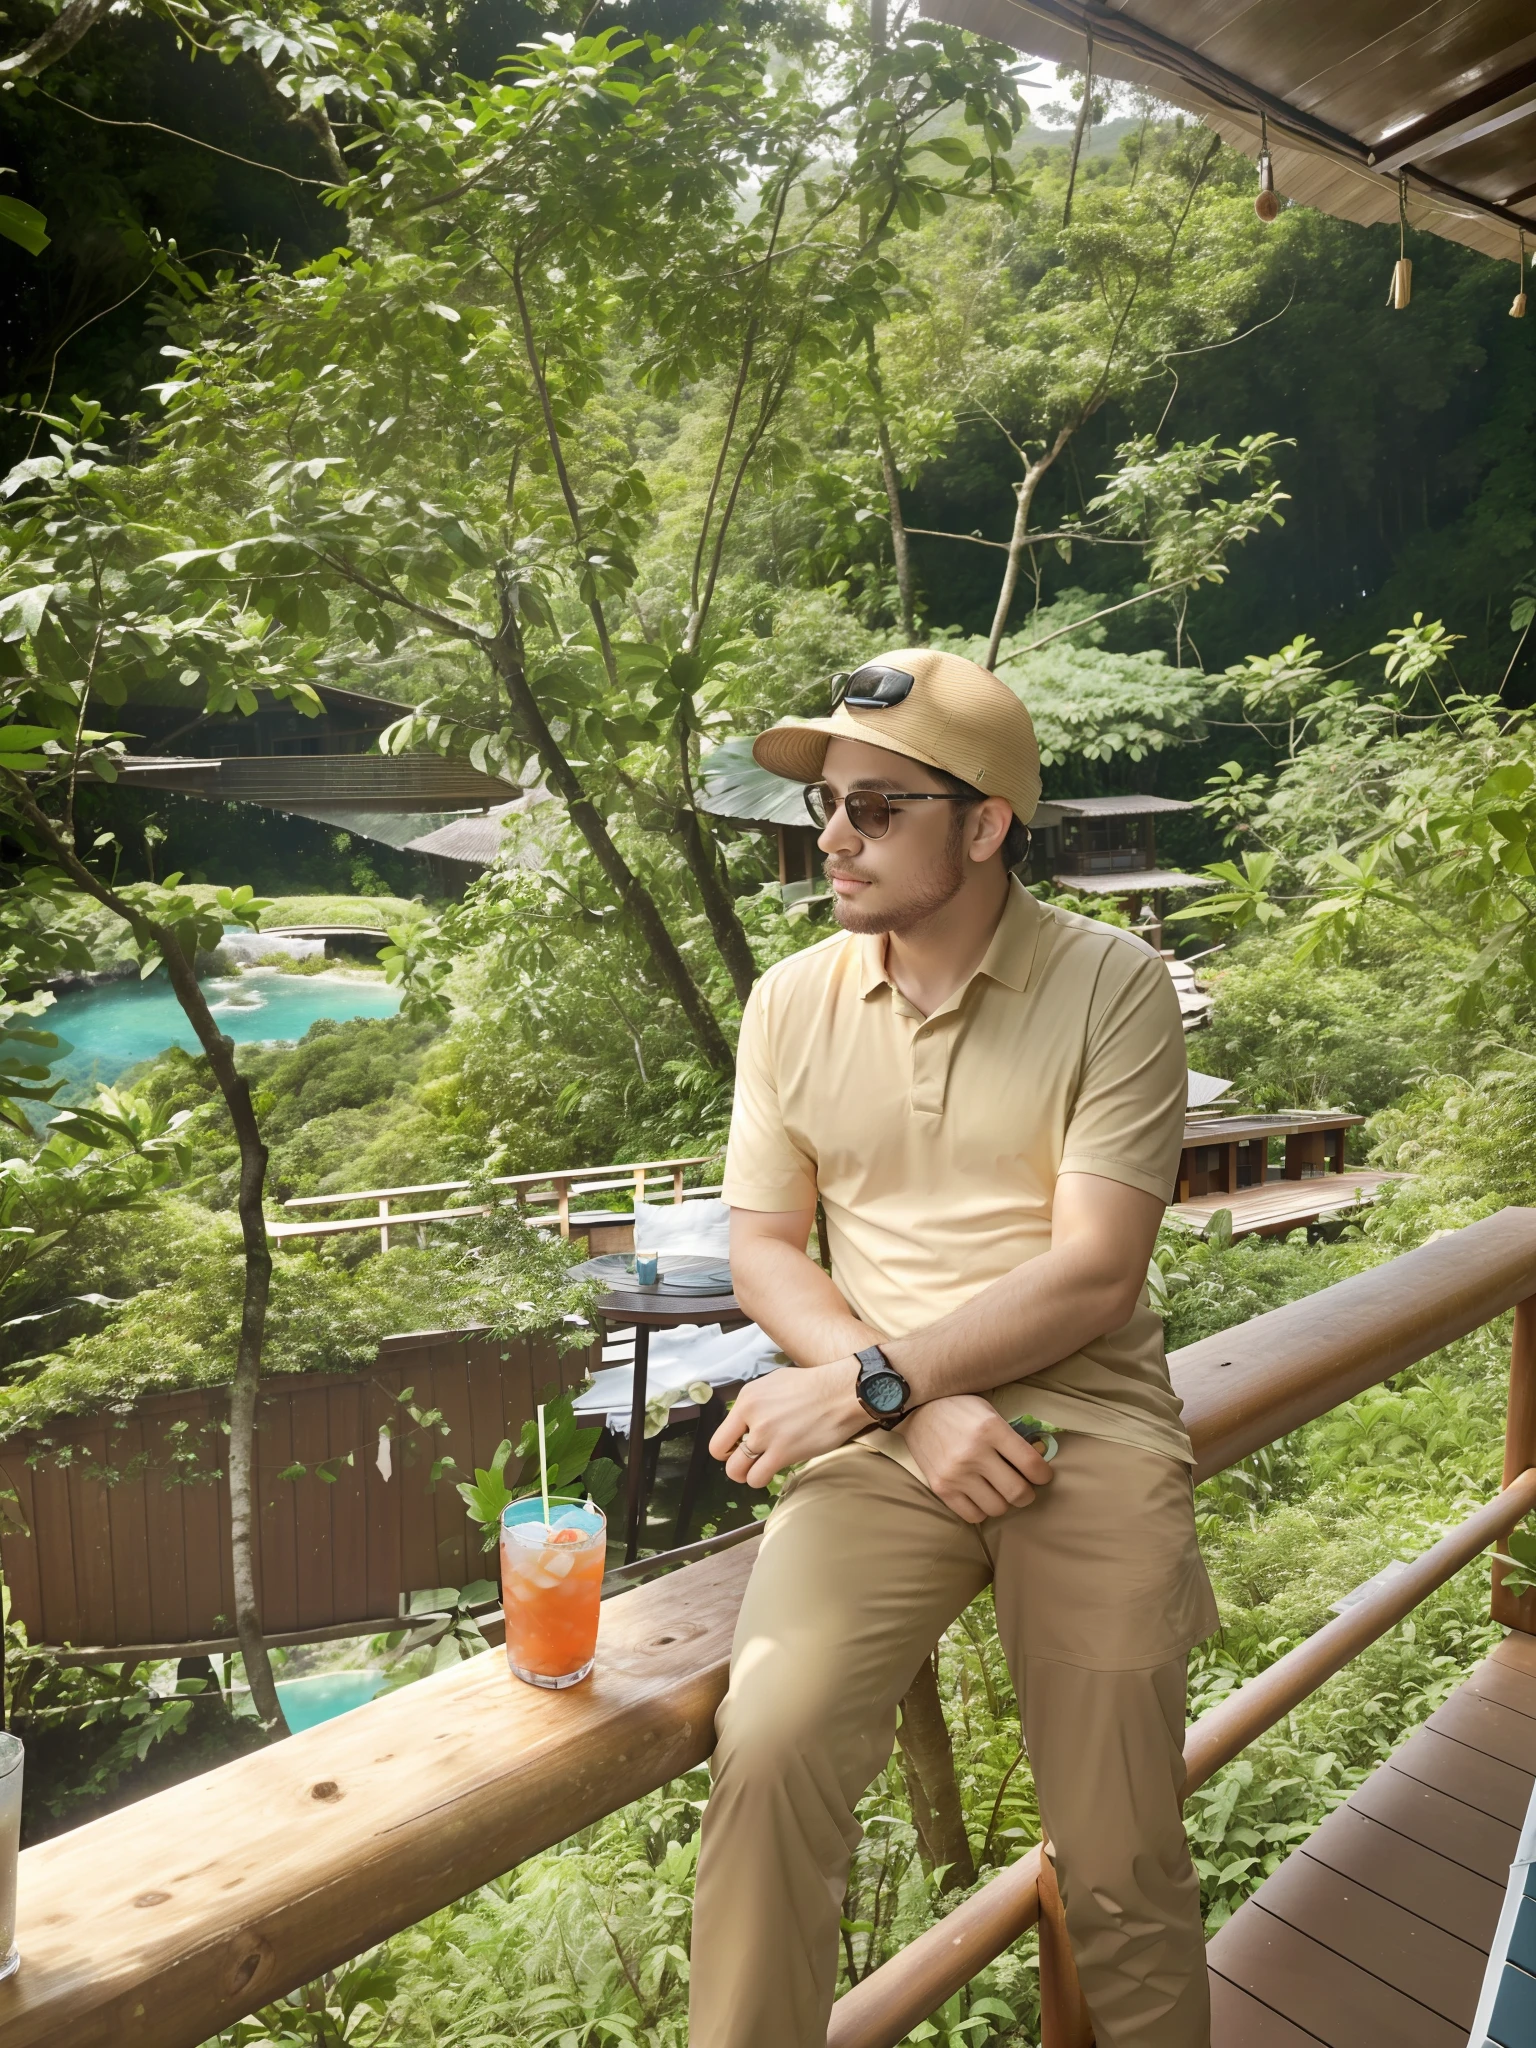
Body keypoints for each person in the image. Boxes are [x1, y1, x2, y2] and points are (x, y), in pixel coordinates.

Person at [687, 648, 1217, 2048]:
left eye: (877, 807)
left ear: (984, 825)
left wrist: (878, 1381)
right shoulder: (790, 1002)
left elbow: (1097, 1271)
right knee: (771, 1752)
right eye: (824, 807)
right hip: (887, 1439)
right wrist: (902, 1404)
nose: (833, 838)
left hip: (1083, 1423)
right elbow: (765, 1248)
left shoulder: (1113, 986)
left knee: (1120, 1855)